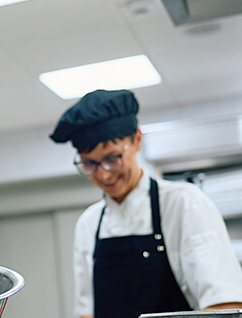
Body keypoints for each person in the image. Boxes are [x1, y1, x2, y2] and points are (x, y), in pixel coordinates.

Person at [50, 89, 242, 318]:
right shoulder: (88, 224)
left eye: (112, 158)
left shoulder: (184, 204)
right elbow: (86, 313)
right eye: (89, 164)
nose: (103, 175)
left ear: (137, 139)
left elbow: (224, 305)